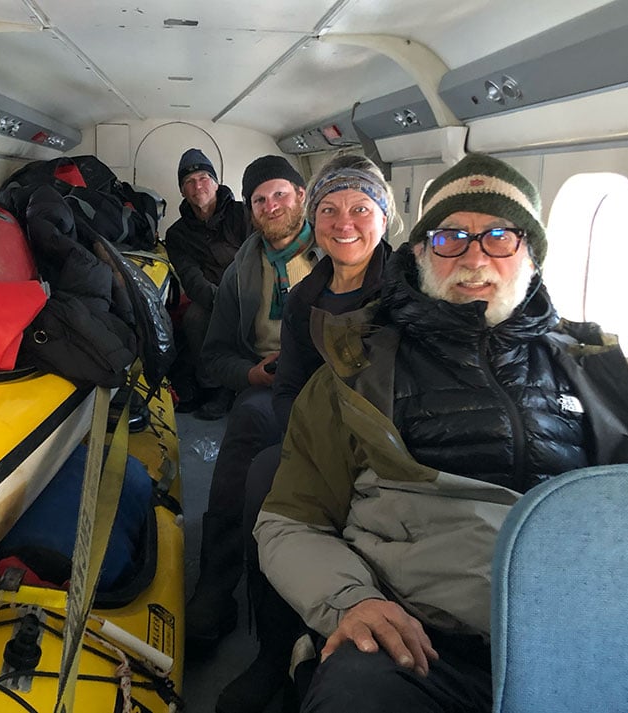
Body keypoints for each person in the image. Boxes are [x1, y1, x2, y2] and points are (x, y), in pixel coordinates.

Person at [255, 152, 628, 713]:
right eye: (452, 238)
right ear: (422, 252)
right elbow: (289, 520)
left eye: (499, 236)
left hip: (571, 631)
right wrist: (352, 603)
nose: (475, 258)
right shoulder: (357, 371)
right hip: (418, 637)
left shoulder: (589, 371)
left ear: (531, 254)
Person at [215, 155, 398, 713]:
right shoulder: (303, 300)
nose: (345, 222)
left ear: (384, 218)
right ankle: (271, 649)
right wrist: (316, 445)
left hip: (392, 437)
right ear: (316, 218)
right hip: (319, 432)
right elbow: (290, 387)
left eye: (361, 208)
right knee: (268, 475)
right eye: (331, 209)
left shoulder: (409, 292)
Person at [187, 154, 318, 650]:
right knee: (247, 429)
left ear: (301, 195)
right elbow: (213, 356)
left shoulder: (338, 252)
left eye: (280, 194)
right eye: (259, 199)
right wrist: (249, 374)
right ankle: (217, 587)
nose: (271, 206)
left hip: (333, 387)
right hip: (269, 386)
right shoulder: (243, 269)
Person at [164, 148, 249, 418]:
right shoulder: (176, 233)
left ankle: (253, 380)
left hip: (249, 289)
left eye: (203, 178)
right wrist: (221, 302)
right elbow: (190, 276)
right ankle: (216, 387)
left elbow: (259, 257)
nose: (197, 186)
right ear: (182, 191)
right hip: (211, 296)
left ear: (215, 182)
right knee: (194, 319)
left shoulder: (243, 214)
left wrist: (246, 297)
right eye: (189, 182)